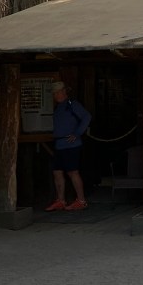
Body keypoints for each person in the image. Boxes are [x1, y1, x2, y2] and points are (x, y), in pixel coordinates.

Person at [46, 81, 91, 212]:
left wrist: (77, 133)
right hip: (59, 144)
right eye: (54, 93)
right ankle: (60, 200)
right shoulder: (58, 107)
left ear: (64, 92)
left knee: (73, 172)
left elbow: (87, 117)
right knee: (57, 172)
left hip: (71, 145)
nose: (55, 95)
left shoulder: (72, 104)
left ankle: (81, 201)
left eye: (57, 92)